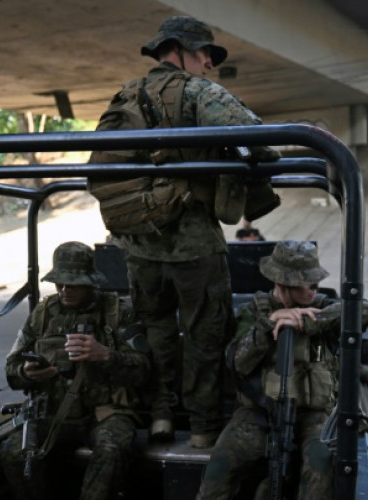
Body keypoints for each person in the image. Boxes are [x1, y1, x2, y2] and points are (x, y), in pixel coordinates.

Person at [90, 15, 280, 448]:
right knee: (204, 334)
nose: (209, 65)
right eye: (204, 54)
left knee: (155, 330)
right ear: (179, 50)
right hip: (192, 242)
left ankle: (159, 415)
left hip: (137, 241)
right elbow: (261, 140)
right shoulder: (198, 91)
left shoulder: (126, 95)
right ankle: (202, 428)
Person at [184, 241, 368, 500]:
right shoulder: (253, 312)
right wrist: (269, 325)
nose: (314, 288)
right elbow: (237, 363)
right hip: (259, 413)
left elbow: (364, 310)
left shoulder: (322, 307)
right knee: (220, 465)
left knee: (320, 463)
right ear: (281, 284)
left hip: (313, 413)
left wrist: (308, 321)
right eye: (306, 284)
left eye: (315, 282)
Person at [0, 241, 150, 500]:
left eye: (73, 284)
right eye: (60, 283)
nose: (65, 290)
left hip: (105, 412)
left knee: (112, 449)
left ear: (91, 283)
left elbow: (144, 370)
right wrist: (28, 373)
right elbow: (11, 369)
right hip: (52, 413)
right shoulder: (43, 315)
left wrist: (106, 355)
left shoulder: (118, 314)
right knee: (13, 453)